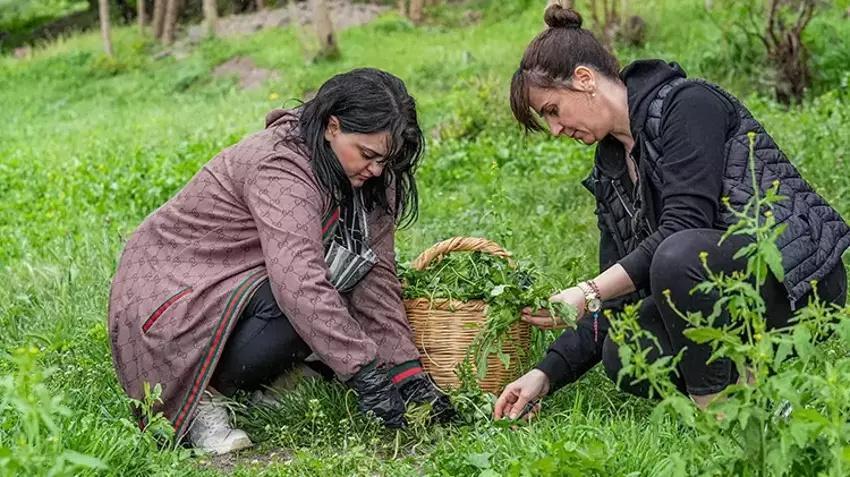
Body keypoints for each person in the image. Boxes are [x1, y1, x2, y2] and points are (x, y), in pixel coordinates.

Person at [494, 2, 849, 421]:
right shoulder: (610, 167)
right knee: (624, 351)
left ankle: (719, 417)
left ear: (585, 80)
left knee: (676, 255)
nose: (555, 129)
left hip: (793, 289)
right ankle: (757, 391)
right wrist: (545, 373)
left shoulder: (688, 104)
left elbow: (685, 229)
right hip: (713, 298)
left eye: (553, 110)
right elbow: (617, 300)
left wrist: (587, 291)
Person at [108, 68, 455, 455]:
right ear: (331, 127)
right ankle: (205, 398)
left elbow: (376, 276)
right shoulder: (279, 166)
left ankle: (263, 382)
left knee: (342, 283)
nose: (376, 169)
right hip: (170, 297)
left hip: (240, 282)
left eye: (386, 160)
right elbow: (300, 284)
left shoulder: (372, 176)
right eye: (368, 155)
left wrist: (408, 377)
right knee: (303, 300)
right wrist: (365, 374)